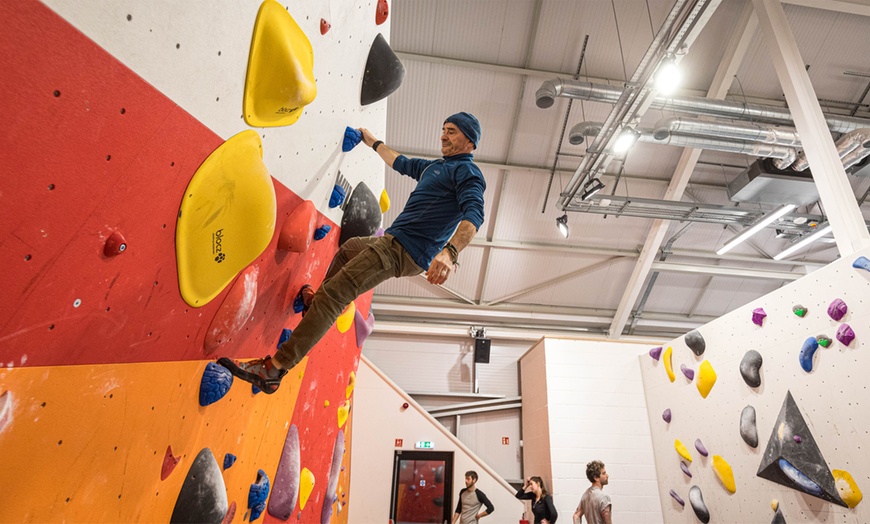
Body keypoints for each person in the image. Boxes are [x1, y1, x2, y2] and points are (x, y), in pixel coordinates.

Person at [218, 112, 486, 393]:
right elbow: (402, 163)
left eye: (452, 131)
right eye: (443, 129)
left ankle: (274, 369)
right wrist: (373, 142)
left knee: (336, 295)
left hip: (403, 250)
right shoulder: (436, 167)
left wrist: (450, 252)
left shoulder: (467, 173)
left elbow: (474, 216)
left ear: (469, 140)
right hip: (395, 241)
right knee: (348, 250)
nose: (443, 135)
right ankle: (317, 306)